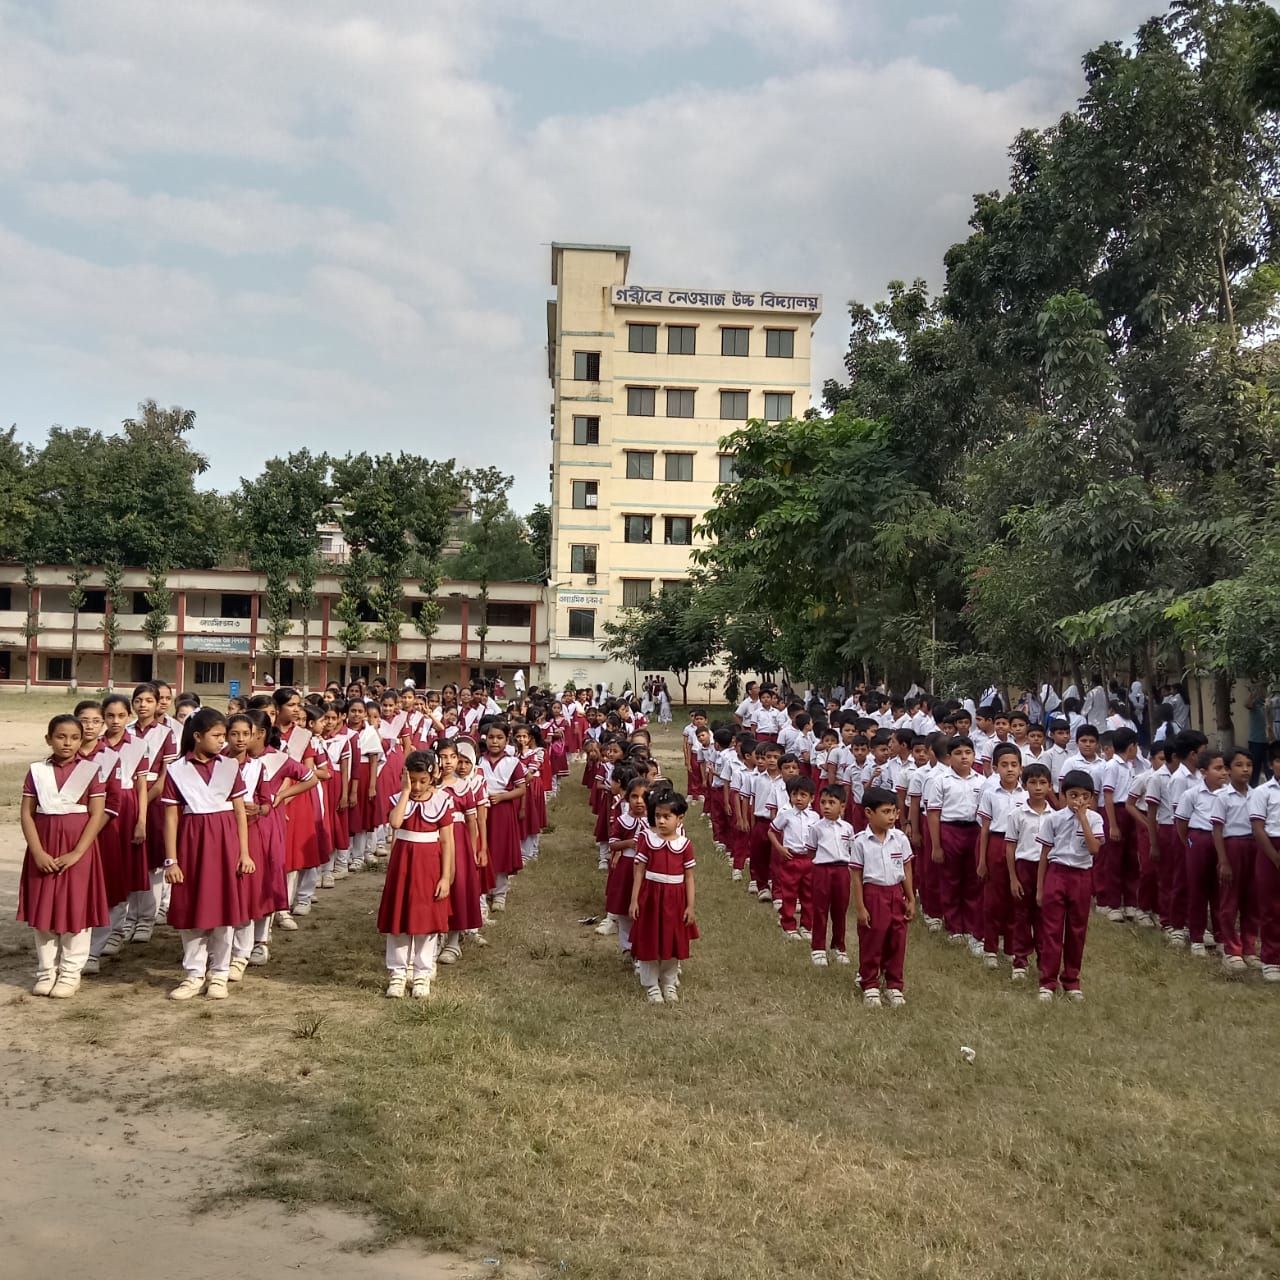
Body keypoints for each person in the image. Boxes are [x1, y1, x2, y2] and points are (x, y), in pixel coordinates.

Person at [162, 708, 253, 1001]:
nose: (222, 741)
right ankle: (193, 974)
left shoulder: (229, 767)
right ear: (198, 736)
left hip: (225, 845)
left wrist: (244, 852)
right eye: (216, 735)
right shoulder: (177, 770)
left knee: (224, 911)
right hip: (192, 845)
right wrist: (171, 860)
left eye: (223, 735)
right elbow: (171, 818)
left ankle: (220, 973)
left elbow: (239, 813)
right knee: (193, 910)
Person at [17, 715, 110, 997]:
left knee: (75, 909)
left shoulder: (91, 771)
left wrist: (77, 852)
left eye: (74, 738)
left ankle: (70, 973)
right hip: (44, 848)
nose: (67, 743)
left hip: (78, 851)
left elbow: (96, 815)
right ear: (49, 739)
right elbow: (27, 814)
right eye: (60, 736)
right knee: (44, 910)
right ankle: (46, 971)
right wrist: (37, 852)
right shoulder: (37, 772)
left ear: (82, 740)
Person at [378, 751, 455, 999]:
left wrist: (445, 877)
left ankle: (422, 974)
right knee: (399, 922)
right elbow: (395, 823)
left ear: (432, 777)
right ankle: (398, 974)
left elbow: (447, 842)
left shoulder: (442, 801)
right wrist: (404, 792)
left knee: (425, 921)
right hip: (402, 866)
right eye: (413, 780)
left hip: (429, 868)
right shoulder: (399, 799)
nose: (418, 787)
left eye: (423, 781)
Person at [1036, 769, 1103, 1002]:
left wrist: (1083, 818)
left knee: (1077, 931)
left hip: (1082, 877)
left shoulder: (1095, 819)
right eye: (1073, 795)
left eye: (1085, 796)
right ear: (1063, 796)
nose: (1079, 801)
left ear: (1091, 798)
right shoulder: (1053, 819)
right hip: (1057, 873)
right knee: (1052, 930)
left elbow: (1094, 849)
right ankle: (1047, 982)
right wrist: (1040, 888)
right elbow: (1044, 854)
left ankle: (1072, 980)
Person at [630, 789, 697, 1004]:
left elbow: (689, 877)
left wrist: (690, 906)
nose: (661, 821)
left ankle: (669, 982)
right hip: (651, 898)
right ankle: (651, 985)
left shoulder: (685, 845)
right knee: (650, 940)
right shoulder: (648, 840)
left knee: (672, 940)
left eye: (667, 816)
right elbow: (639, 871)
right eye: (658, 816)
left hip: (675, 900)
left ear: (680, 819)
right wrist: (634, 900)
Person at [851, 787, 914, 1007]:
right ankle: (870, 983)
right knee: (873, 938)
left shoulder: (900, 839)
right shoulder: (860, 841)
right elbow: (856, 876)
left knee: (897, 939)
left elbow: (906, 869)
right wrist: (860, 907)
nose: (891, 817)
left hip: (896, 893)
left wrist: (910, 899)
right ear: (869, 813)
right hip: (874, 894)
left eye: (894, 812)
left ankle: (894, 985)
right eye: (886, 812)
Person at [925, 735, 986, 954]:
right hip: (950, 830)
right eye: (958, 753)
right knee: (950, 879)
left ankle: (970, 926)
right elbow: (933, 813)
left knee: (973, 880)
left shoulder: (982, 781)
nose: (964, 757)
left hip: (974, 831)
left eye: (968, 753)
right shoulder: (940, 780)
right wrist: (936, 845)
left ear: (974, 756)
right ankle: (954, 926)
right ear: (949, 757)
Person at [1175, 749, 1227, 958]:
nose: (1223, 773)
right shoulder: (1192, 794)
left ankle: (1222, 937)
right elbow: (1181, 822)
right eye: (1218, 768)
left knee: (1220, 891)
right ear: (1204, 772)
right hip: (1199, 840)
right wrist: (1189, 842)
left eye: (1225, 768)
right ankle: (1197, 937)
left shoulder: (1229, 794)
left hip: (1222, 842)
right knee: (1198, 890)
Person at [977, 743, 1025, 970]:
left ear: (1021, 768)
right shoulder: (990, 794)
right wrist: (982, 860)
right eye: (1004, 765)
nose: (1010, 769)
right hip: (996, 843)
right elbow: (985, 829)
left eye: (1014, 765)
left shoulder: (1026, 794)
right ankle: (990, 948)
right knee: (993, 900)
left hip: (1020, 846)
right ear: (995, 769)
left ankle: (1011, 947)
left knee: (1016, 898)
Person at [1211, 748, 1257, 974]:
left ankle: (1249, 948)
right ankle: (1232, 949)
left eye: (1249, 765)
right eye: (1239, 765)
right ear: (1228, 770)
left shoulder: (1257, 795)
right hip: (1232, 846)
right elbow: (1217, 830)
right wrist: (1223, 861)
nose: (1245, 769)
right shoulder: (1222, 796)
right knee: (1230, 900)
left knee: (1253, 900)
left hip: (1254, 846)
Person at [1004, 762, 1052, 981]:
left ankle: (1045, 961)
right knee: (1021, 916)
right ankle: (1020, 961)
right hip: (1024, 867)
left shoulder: (1055, 815)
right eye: (1033, 782)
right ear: (1024, 786)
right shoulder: (1017, 814)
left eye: (1042, 782)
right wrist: (1013, 878)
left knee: (1044, 918)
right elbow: (1010, 847)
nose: (1038, 787)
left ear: (1050, 786)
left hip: (1048, 869)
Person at [476, 722, 527, 911]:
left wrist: (502, 797)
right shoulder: (478, 761)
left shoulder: (513, 763)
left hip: (502, 811)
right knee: (483, 848)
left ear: (507, 740)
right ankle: (484, 889)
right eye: (491, 737)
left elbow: (521, 789)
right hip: (482, 810)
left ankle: (500, 893)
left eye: (499, 738)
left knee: (501, 850)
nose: (495, 742)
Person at [806, 783, 854, 966]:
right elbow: (811, 851)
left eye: (831, 802)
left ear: (842, 806)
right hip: (822, 870)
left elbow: (851, 849)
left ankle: (838, 946)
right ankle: (818, 948)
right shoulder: (816, 828)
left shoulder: (848, 828)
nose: (826, 806)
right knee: (820, 909)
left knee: (840, 909)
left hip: (842, 870)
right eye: (823, 802)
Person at [769, 774, 818, 940]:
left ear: (812, 798)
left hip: (809, 860)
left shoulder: (815, 817)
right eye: (794, 794)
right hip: (791, 858)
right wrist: (780, 848)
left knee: (808, 894)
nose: (798, 798)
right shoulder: (786, 814)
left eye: (803, 795)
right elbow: (772, 832)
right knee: (789, 893)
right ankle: (788, 925)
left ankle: (806, 925)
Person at [1247, 742, 1280, 982]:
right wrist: (1275, 858)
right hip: (1271, 848)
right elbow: (1258, 829)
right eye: (1278, 760)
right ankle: (1271, 959)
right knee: (1271, 907)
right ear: (1270, 764)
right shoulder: (1262, 792)